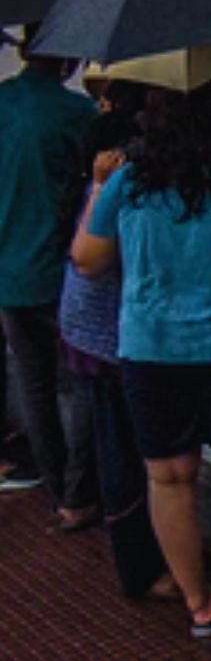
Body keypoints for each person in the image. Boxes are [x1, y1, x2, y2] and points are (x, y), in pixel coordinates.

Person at [72, 83, 211, 645]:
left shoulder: (131, 179)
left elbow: (88, 259)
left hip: (150, 347)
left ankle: (200, 604)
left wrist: (98, 189)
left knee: (169, 476)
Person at [58, 78, 173, 597]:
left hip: (88, 331)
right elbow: (96, 260)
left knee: (106, 438)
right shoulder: (115, 187)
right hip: (109, 336)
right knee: (126, 456)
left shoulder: (97, 185)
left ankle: (82, 504)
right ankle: (140, 566)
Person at [0, 26, 98, 524]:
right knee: (83, 384)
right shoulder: (76, 114)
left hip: (8, 273)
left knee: (35, 384)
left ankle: (56, 484)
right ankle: (81, 492)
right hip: (59, 275)